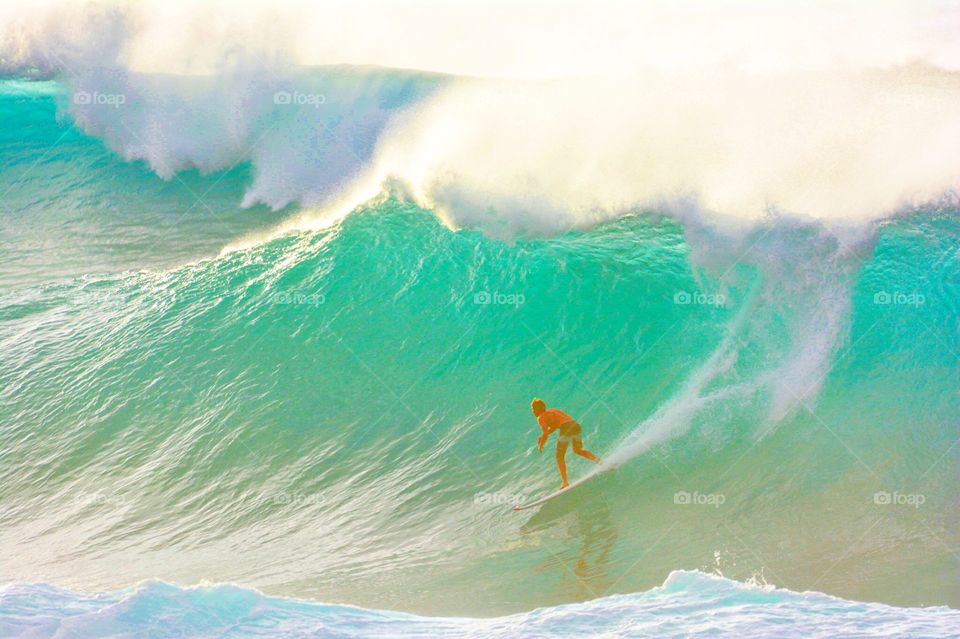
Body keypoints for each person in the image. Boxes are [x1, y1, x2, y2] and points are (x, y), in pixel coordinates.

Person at [531, 398, 601, 489]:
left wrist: (541, 445)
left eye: (533, 409)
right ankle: (601, 462)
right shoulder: (553, 411)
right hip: (575, 426)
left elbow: (545, 432)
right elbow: (556, 426)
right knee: (578, 450)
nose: (533, 411)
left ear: (537, 409)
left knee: (559, 456)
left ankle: (565, 482)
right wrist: (544, 435)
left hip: (566, 429)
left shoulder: (541, 417)